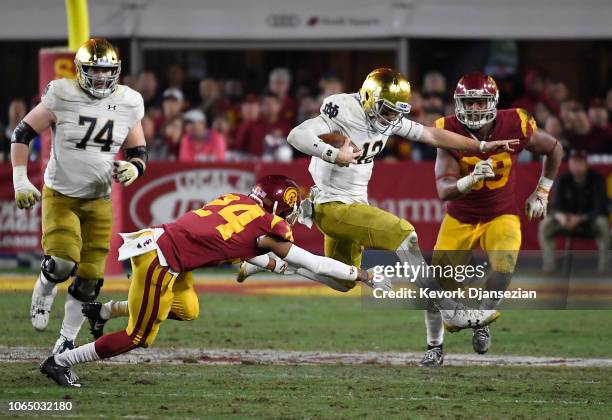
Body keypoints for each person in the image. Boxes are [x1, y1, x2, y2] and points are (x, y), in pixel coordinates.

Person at [39, 175, 375, 387]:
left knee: (187, 309)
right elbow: (311, 261)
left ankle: (103, 312)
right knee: (139, 336)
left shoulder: (235, 201)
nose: (291, 215)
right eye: (288, 208)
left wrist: (265, 265)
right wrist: (359, 274)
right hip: (163, 259)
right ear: (277, 207)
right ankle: (60, 362)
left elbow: (231, 242)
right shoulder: (268, 228)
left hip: (164, 246)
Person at [268, 68, 517, 330]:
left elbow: (431, 135)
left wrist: (479, 146)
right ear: (368, 98)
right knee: (404, 233)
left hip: (351, 205)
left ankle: (273, 261)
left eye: (396, 112)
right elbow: (296, 135)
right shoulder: (342, 108)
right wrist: (333, 154)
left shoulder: (389, 116)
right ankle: (448, 309)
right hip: (333, 204)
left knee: (343, 278)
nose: (391, 119)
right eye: (386, 110)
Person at [11, 38, 147, 355]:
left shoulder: (129, 101)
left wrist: (135, 169)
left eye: (107, 71)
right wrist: (20, 179)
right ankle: (44, 289)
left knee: (90, 280)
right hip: (62, 194)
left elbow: (138, 150)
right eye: (94, 71)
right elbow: (23, 132)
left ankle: (66, 339)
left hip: (98, 199)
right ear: (80, 70)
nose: (100, 78)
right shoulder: (62, 93)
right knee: (60, 263)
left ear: (117, 71)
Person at [419, 72, 563, 367]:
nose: (472, 108)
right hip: (460, 218)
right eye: (467, 102)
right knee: (435, 285)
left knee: (503, 268)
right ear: (458, 103)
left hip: (501, 214)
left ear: (493, 102)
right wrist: (469, 180)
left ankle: (482, 319)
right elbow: (443, 190)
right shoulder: (448, 131)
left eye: (479, 101)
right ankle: (434, 346)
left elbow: (554, 148)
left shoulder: (515, 124)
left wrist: (542, 191)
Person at [538, 149, 609, 274]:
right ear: (569, 163)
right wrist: (562, 217)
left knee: (603, 223)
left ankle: (604, 269)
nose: (576, 165)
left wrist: (581, 219)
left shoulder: (597, 180)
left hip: (589, 222)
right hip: (566, 221)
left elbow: (601, 209)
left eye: (580, 162)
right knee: (545, 224)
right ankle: (550, 267)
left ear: (586, 164)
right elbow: (555, 207)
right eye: (574, 162)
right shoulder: (563, 180)